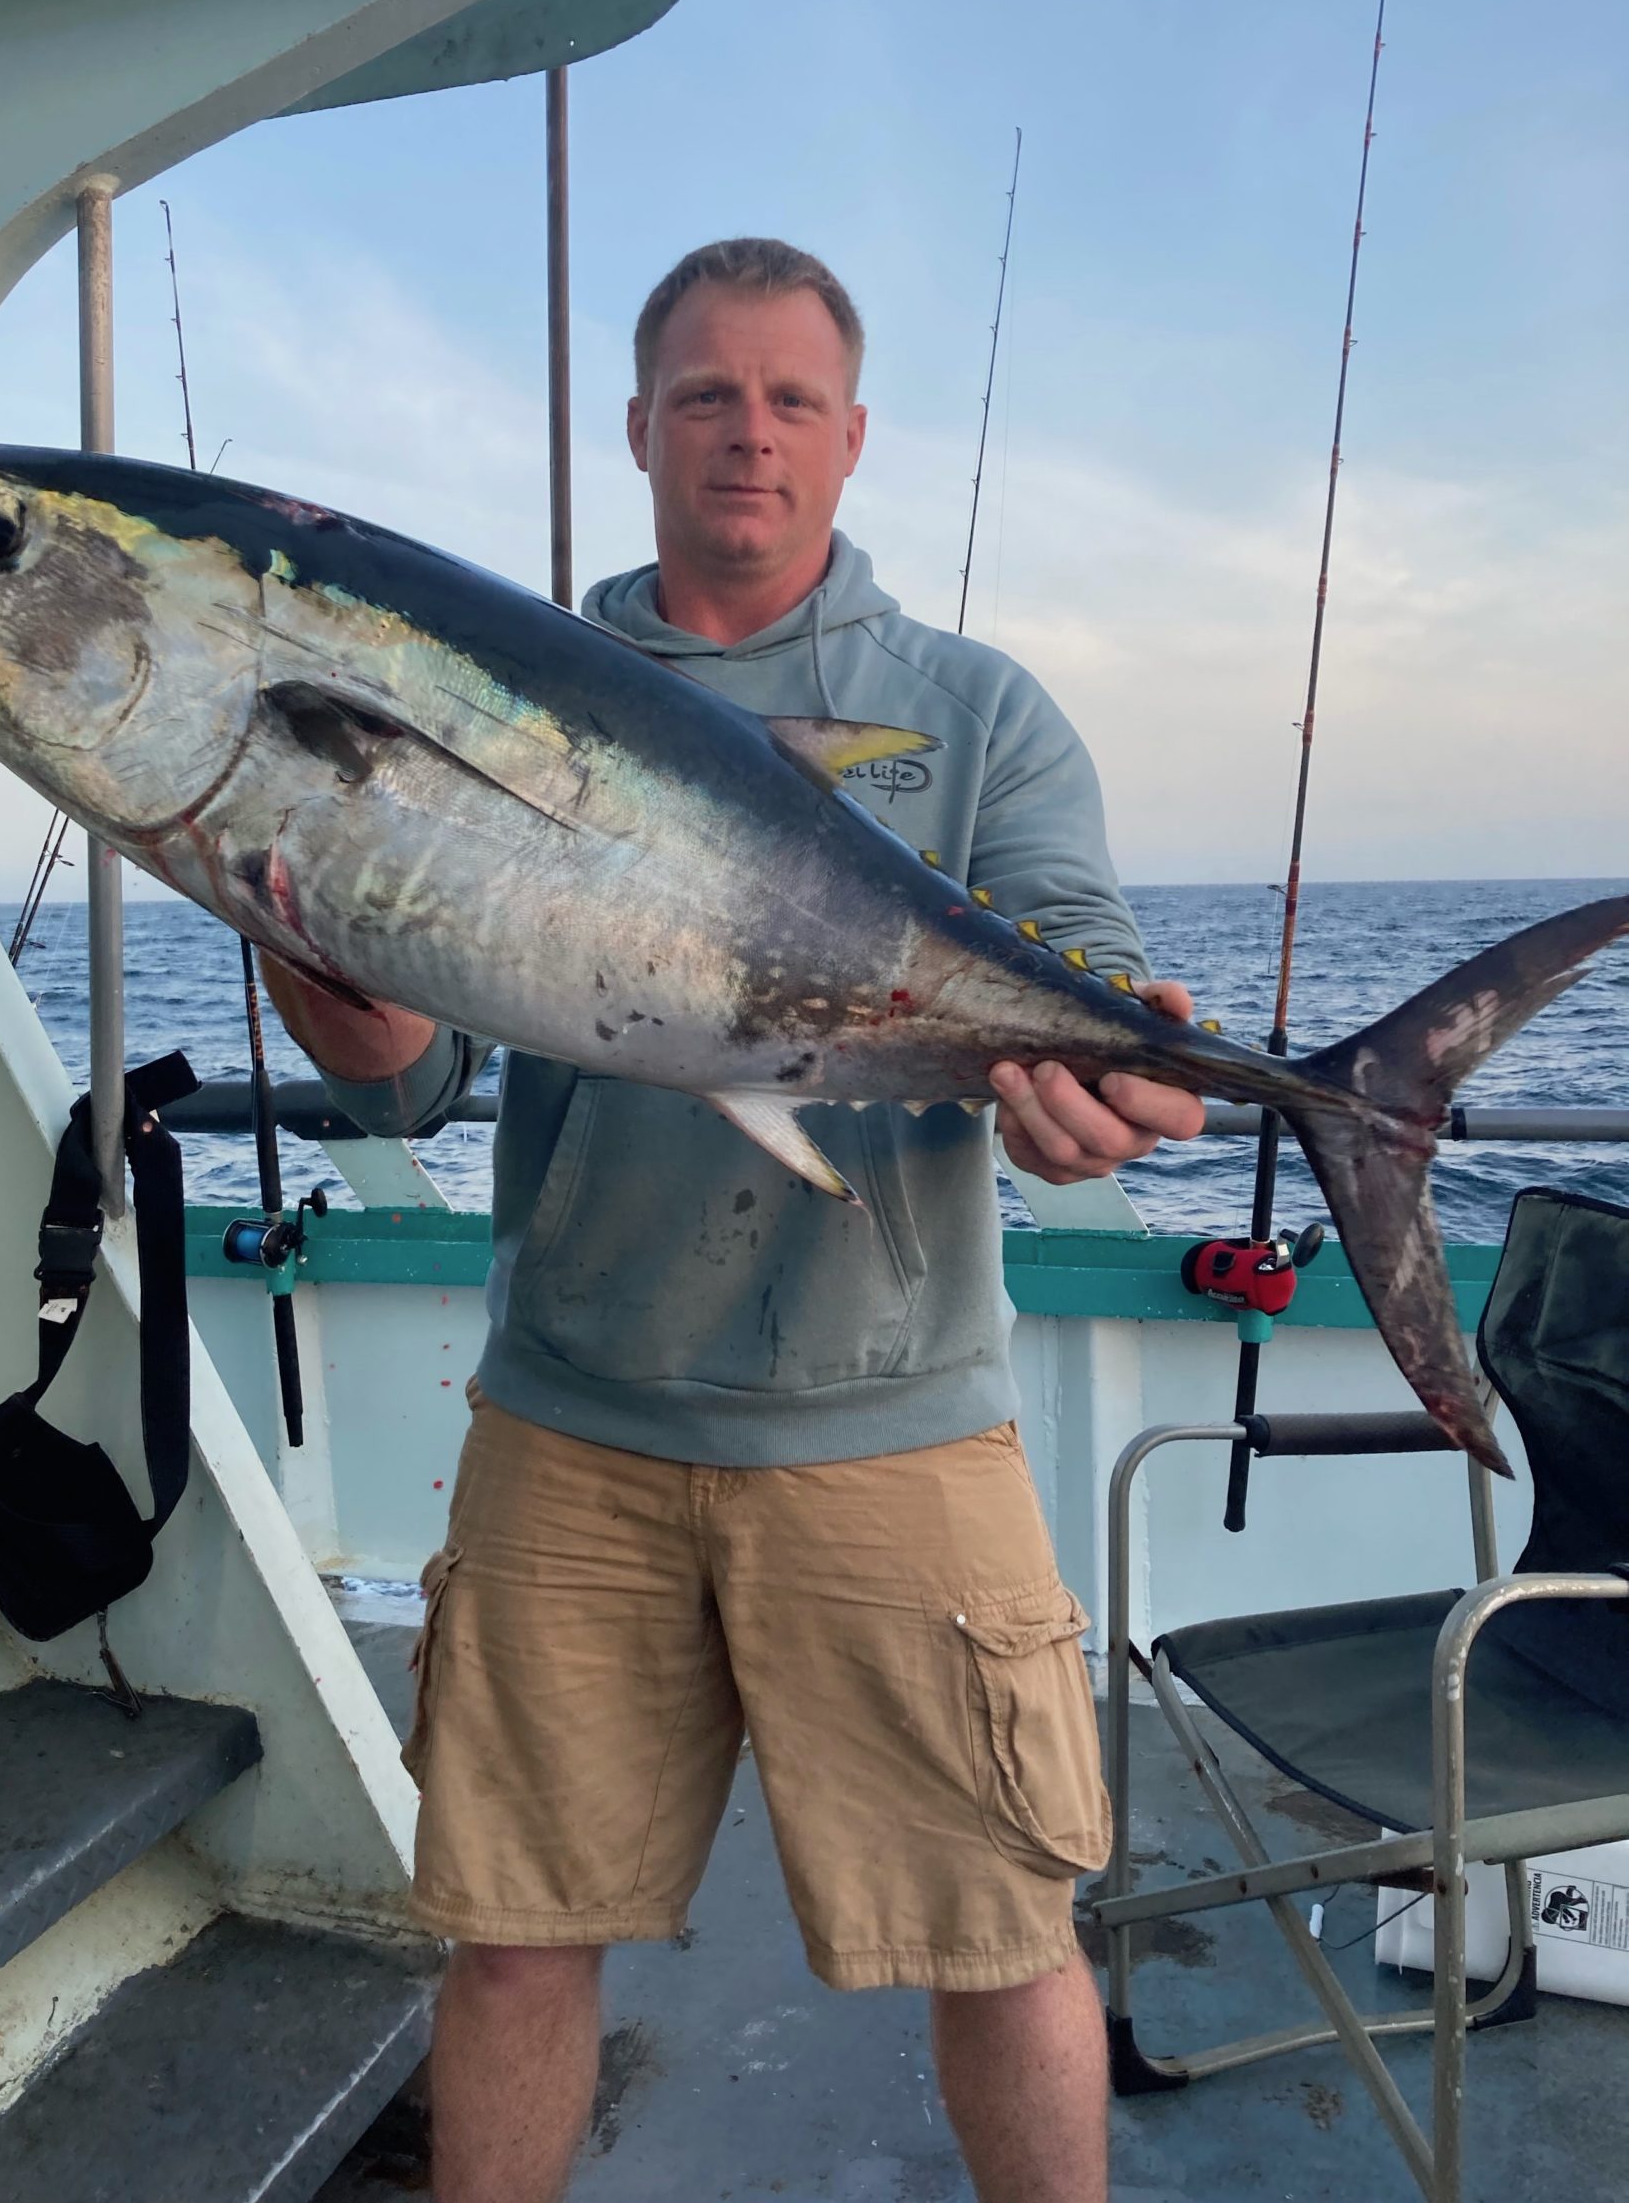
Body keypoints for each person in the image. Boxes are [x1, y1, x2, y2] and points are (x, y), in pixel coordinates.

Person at [262, 238, 1204, 2203]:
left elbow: (1082, 1007)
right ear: (640, 426)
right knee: (515, 1932)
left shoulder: (971, 709)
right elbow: (414, 1080)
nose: (748, 432)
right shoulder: (498, 685)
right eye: (707, 392)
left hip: (899, 1427)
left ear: (854, 438)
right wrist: (334, 988)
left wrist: (1091, 1099)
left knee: (1005, 1933)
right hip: (570, 1424)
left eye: (790, 398)